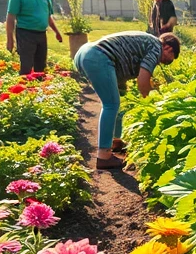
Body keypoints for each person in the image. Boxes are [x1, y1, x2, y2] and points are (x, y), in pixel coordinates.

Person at [73, 31, 180, 170]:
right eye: (169, 60)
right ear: (168, 48)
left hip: (86, 53)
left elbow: (122, 59)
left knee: (117, 100)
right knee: (111, 104)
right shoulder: (156, 47)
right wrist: (153, 103)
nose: (163, 63)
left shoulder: (147, 42)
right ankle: (104, 156)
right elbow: (143, 82)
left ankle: (115, 142)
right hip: (97, 56)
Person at [6, 0, 64, 74]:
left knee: (41, 65)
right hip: (25, 34)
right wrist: (10, 39)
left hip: (41, 34)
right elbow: (10, 18)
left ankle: (40, 83)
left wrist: (57, 32)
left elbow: (48, 17)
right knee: (27, 65)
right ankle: (24, 83)